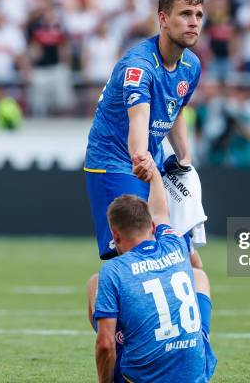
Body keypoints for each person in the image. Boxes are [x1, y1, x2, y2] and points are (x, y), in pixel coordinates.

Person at [84, 0, 204, 261]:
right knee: (135, 259)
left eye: (198, 15)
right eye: (185, 14)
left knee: (186, 258)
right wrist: (143, 160)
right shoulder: (139, 67)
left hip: (154, 161)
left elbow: (176, 109)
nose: (193, 22)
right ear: (163, 19)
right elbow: (138, 122)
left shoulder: (192, 65)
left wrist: (184, 159)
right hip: (114, 163)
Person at [87, 158, 217, 383]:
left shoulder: (114, 270)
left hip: (143, 378)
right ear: (153, 228)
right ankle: (200, 340)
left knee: (94, 283)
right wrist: (154, 174)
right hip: (196, 374)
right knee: (199, 275)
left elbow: (105, 345)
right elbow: (161, 212)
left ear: (115, 235)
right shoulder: (174, 242)